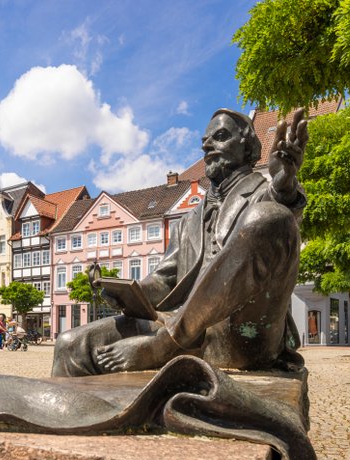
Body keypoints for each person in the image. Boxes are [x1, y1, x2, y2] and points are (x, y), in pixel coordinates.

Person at [53, 108, 308, 377]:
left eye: (220, 137)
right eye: (205, 141)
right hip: (184, 326)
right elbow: (164, 281)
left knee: (271, 216)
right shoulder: (188, 221)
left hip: (242, 333)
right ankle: (88, 417)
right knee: (71, 344)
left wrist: (283, 187)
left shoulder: (266, 195)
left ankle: (162, 346)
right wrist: (130, 292)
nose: (208, 145)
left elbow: (284, 218)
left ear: (247, 147)